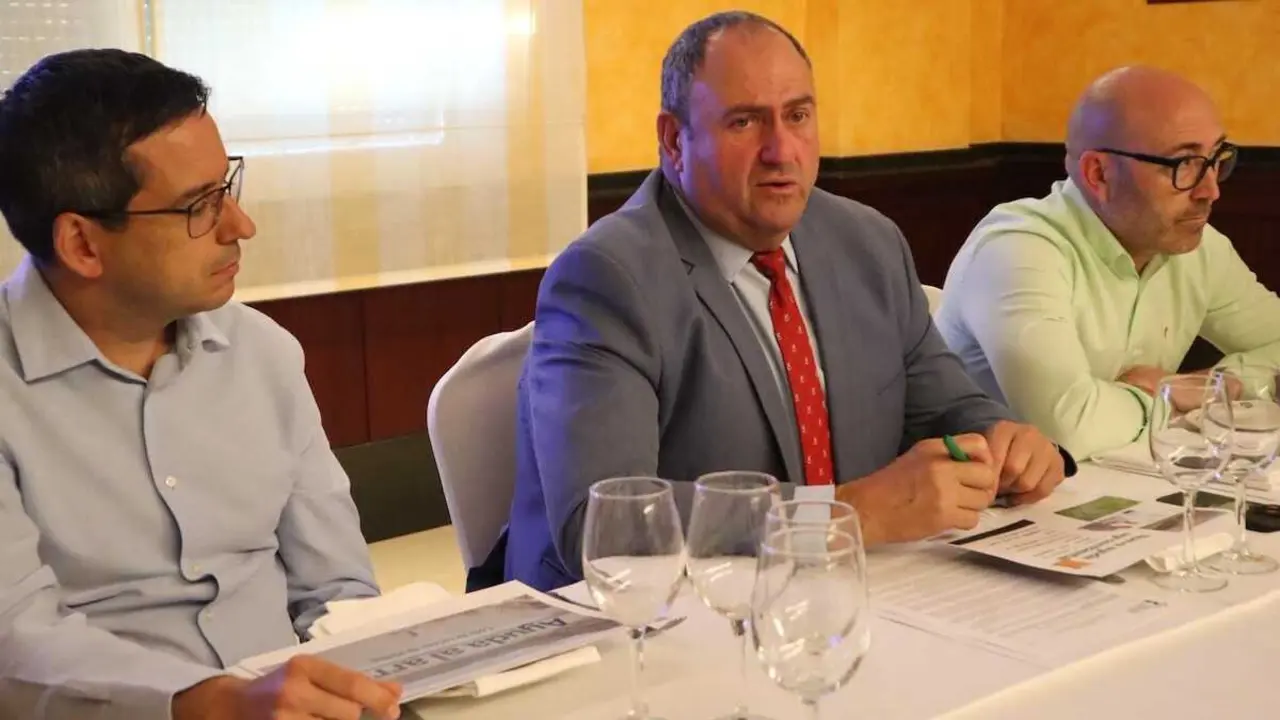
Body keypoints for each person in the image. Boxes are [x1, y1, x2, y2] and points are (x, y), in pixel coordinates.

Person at [501, 11, 1072, 592]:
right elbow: (602, 522)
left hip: (849, 595)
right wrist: (848, 513)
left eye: (798, 116)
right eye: (745, 122)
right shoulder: (608, 276)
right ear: (675, 140)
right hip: (650, 622)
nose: (781, 149)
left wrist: (1005, 439)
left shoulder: (867, 242)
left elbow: (947, 408)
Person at [0, 51, 402, 719]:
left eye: (227, 187)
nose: (239, 226)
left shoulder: (263, 353)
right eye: (198, 206)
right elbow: (15, 640)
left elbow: (336, 586)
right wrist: (207, 702)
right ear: (82, 245)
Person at [936, 66, 1280, 461]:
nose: (1211, 190)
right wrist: (1164, 398)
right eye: (1183, 164)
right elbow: (1065, 429)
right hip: (986, 503)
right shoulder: (1018, 248)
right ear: (1098, 174)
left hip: (1112, 487)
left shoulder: (1197, 248)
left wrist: (1217, 383)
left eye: (1217, 158)